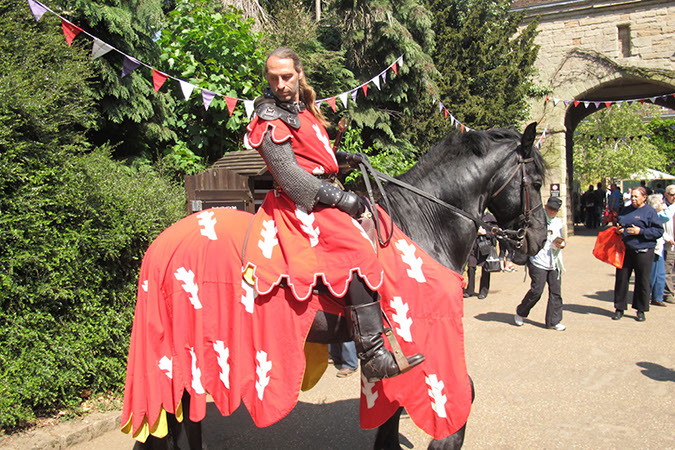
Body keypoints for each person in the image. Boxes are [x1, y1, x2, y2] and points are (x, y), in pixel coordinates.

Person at [243, 48, 423, 382]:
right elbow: (291, 177)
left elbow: (313, 156)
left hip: (320, 193)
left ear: (299, 73)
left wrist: (342, 158)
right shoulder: (269, 118)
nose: (280, 84)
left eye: (286, 76)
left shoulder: (304, 112)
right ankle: (372, 354)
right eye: (273, 78)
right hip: (299, 203)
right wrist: (342, 199)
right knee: (355, 250)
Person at [514, 197, 567, 331]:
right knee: (537, 291)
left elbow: (562, 239)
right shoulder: (536, 220)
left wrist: (561, 244)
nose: (552, 212)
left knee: (556, 292)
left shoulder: (558, 222)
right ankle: (521, 311)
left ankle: (553, 321)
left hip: (554, 261)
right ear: (545, 206)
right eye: (550, 208)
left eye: (555, 210)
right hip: (538, 260)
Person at [611, 186, 664, 322]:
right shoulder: (626, 210)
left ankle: (641, 310)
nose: (633, 199)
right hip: (626, 249)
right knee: (622, 279)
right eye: (632, 196)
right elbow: (620, 223)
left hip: (643, 250)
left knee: (642, 281)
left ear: (644, 197)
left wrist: (641, 232)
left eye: (636, 196)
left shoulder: (650, 212)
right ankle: (619, 308)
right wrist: (618, 230)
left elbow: (658, 231)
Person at [464, 212, 498, 299]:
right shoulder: (473, 214)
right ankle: (470, 290)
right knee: (471, 267)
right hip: (473, 246)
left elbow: (495, 231)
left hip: (485, 247)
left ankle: (483, 291)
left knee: (485, 270)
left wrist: (485, 233)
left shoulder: (490, 218)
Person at [648, 194, 668, 307]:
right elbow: (668, 216)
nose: (663, 204)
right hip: (653, 248)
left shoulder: (658, 214)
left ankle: (658, 297)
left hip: (659, 247)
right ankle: (646, 296)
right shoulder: (655, 215)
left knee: (660, 274)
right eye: (661, 202)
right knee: (651, 275)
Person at [661, 184, 675, 304]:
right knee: (668, 269)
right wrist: (666, 238)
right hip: (669, 243)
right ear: (666, 195)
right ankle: (669, 293)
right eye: (672, 195)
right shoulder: (662, 207)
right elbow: (659, 225)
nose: (674, 197)